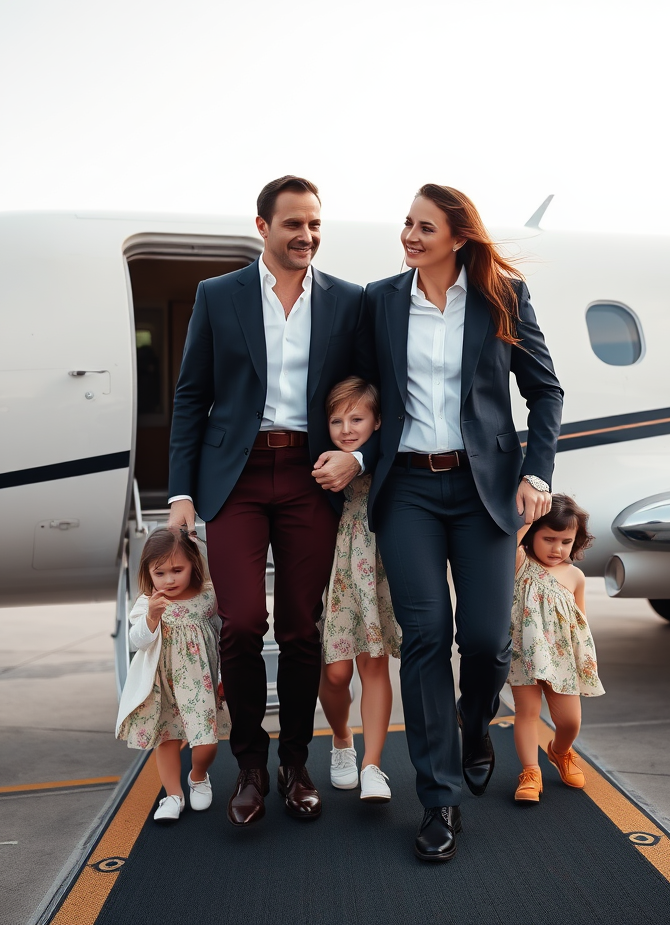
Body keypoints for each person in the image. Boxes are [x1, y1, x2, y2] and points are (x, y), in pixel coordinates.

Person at [358, 183, 563, 862]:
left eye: (424, 227)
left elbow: (544, 389)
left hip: (487, 492)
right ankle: (439, 799)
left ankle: (476, 722)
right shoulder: (381, 300)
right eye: (407, 224)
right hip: (410, 486)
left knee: (483, 640)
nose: (410, 236)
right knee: (424, 638)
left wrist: (537, 474)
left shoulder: (503, 298)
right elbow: (357, 388)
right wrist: (349, 448)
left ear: (457, 238)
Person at [167, 176, 367, 827]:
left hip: (312, 475)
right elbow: (192, 395)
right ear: (262, 227)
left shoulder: (346, 300)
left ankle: (296, 764)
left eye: (314, 224)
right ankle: (249, 765)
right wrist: (181, 490)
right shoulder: (217, 296)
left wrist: (356, 454)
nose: (306, 235)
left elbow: (372, 391)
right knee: (244, 622)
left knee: (302, 627)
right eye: (293, 225)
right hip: (238, 476)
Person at [318, 377, 401, 802]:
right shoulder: (325, 461)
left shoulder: (387, 455)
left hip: (379, 563)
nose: (346, 429)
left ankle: (373, 765)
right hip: (339, 562)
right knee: (335, 671)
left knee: (374, 662)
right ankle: (340, 739)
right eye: (336, 420)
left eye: (357, 418)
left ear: (377, 421)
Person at [116, 527, 230, 821]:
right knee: (166, 738)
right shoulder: (147, 602)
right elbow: (137, 641)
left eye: (177, 570)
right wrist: (152, 616)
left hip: (199, 683)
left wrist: (222, 678)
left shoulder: (207, 597)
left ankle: (198, 775)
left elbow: (220, 637)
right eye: (160, 573)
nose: (169, 579)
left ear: (193, 564)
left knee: (206, 741)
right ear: (149, 573)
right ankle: (173, 796)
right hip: (163, 683)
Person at [509, 495, 604, 804]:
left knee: (569, 722)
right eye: (548, 538)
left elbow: (580, 621)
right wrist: (526, 516)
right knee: (527, 713)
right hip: (526, 654)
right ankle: (530, 772)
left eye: (566, 541)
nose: (556, 548)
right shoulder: (521, 563)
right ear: (533, 534)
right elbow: (509, 543)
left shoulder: (575, 576)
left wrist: (583, 660)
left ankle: (559, 751)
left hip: (563, 658)